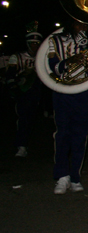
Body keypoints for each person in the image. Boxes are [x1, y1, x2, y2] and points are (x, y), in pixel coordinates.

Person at [48, 19, 88, 194]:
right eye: (79, 23)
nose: (84, 27)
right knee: (62, 134)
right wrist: (70, 61)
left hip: (83, 92)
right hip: (63, 90)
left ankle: (75, 176)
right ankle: (62, 176)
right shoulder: (55, 40)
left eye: (86, 23)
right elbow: (52, 66)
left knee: (80, 135)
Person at [7, 25, 43, 158]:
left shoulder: (41, 58)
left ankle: (25, 143)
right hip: (23, 92)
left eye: (37, 43)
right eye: (32, 43)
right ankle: (21, 145)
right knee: (23, 119)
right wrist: (15, 87)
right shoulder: (17, 57)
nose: (35, 46)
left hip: (37, 92)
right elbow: (10, 76)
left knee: (31, 119)